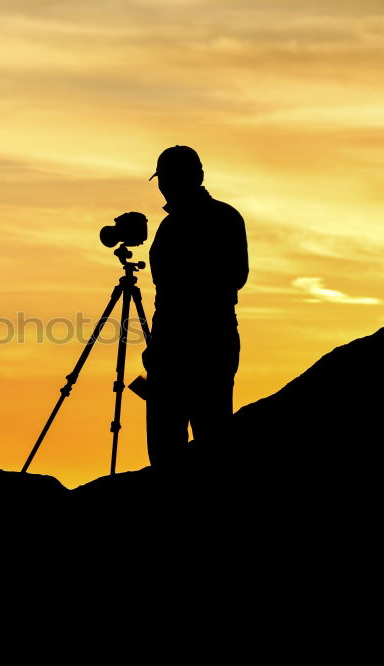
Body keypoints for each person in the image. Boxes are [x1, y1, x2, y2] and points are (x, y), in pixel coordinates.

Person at [140, 145, 248, 469]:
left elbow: (169, 288)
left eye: (168, 179)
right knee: (213, 443)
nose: (165, 186)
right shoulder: (228, 217)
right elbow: (238, 277)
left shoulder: (173, 228)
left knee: (167, 451)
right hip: (216, 342)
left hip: (179, 348)